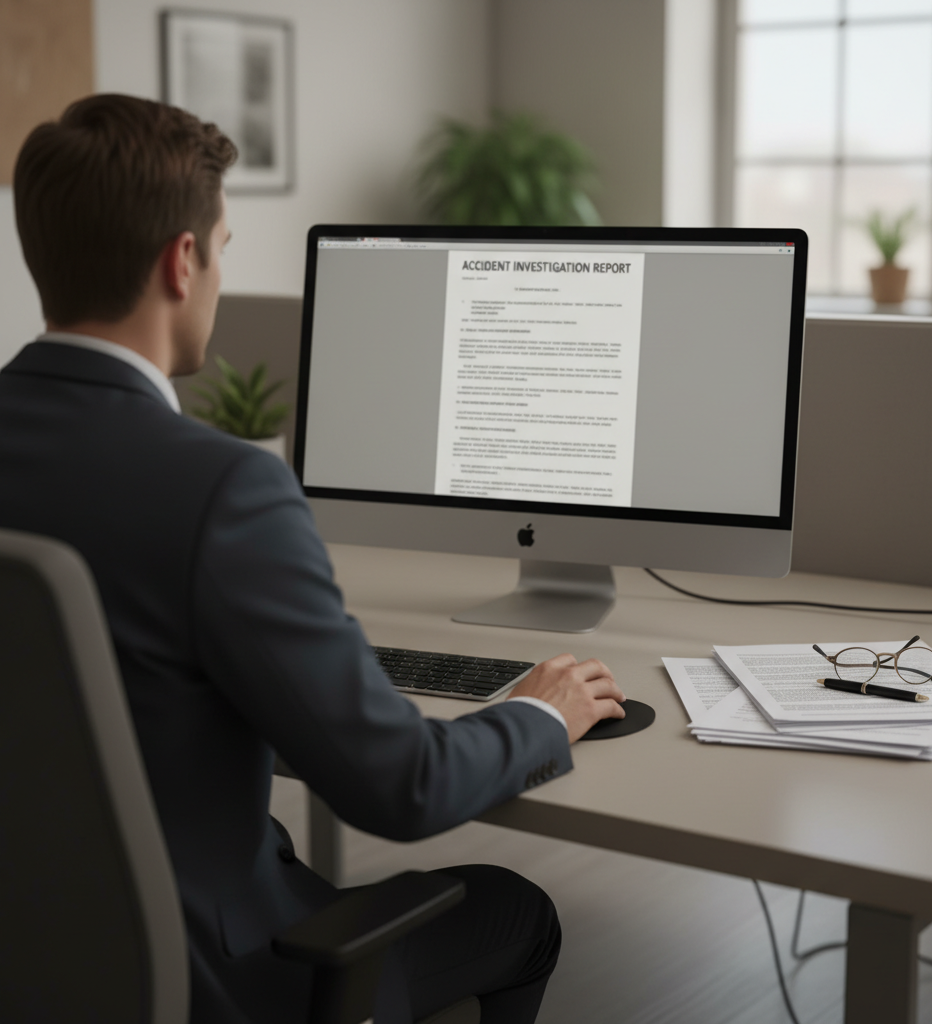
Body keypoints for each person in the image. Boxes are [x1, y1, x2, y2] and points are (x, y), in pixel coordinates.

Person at [0, 94, 626, 1024]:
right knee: (519, 911)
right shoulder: (222, 488)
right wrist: (540, 713)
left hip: (27, 958)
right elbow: (402, 788)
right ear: (184, 260)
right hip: (206, 981)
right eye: (223, 245)